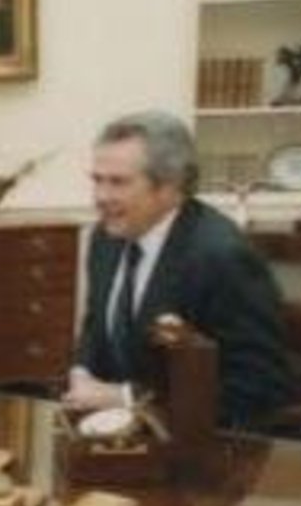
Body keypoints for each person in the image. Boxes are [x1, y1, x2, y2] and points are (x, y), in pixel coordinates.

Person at [63, 110, 287, 427]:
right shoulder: (106, 237)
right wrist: (81, 371)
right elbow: (96, 325)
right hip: (115, 441)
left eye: (118, 182)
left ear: (170, 186)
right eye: (97, 180)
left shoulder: (222, 256)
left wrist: (127, 397)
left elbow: (257, 388)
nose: (101, 197)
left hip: (203, 450)